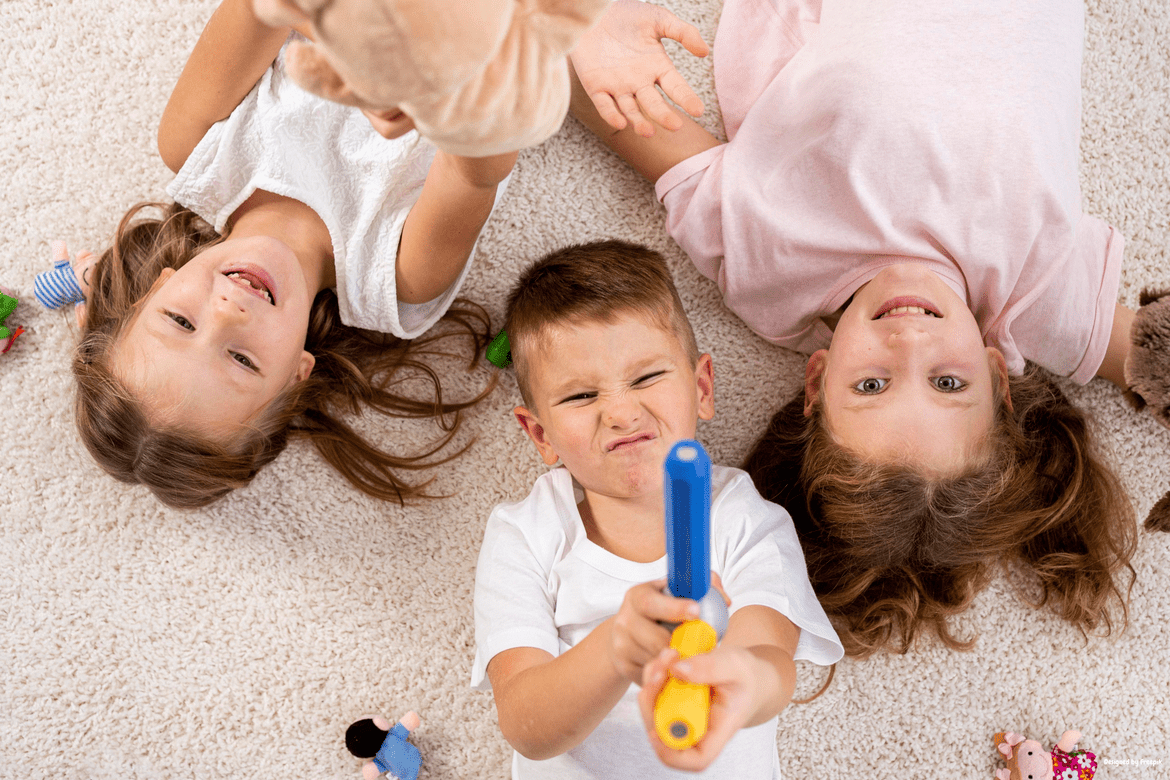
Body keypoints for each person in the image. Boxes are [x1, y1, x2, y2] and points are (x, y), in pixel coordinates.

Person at [567, 0, 1144, 656]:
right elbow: (1149, 360)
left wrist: (578, 38)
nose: (909, 344)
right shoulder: (1035, 302)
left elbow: (618, 105)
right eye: (948, 382)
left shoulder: (769, 262)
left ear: (816, 384)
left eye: (871, 386)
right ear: (996, 378)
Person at [60, 0, 517, 508]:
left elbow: (259, 9)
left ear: (158, 286)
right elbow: (485, 159)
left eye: (181, 321)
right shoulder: (399, 276)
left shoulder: (195, 150)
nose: (226, 312)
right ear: (297, 375)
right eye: (240, 358)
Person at [471, 240, 843, 778]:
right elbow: (527, 728)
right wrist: (615, 650)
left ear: (702, 388)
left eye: (646, 378)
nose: (621, 412)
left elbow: (771, 663)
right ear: (540, 434)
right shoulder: (524, 534)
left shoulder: (747, 520)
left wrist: (738, 678)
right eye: (580, 397)